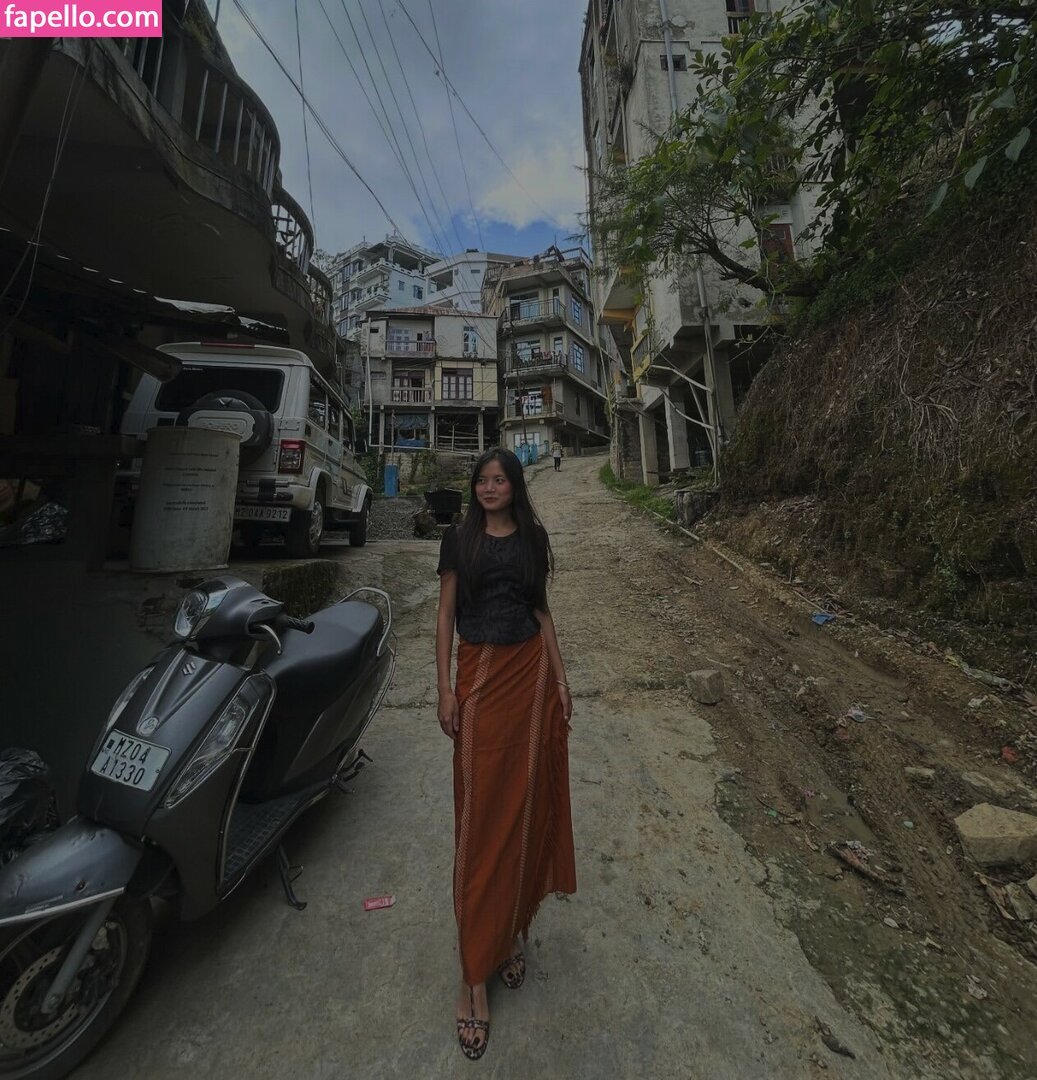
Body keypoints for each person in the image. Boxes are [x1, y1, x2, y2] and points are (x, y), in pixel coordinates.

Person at [435, 447, 577, 1061]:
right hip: (480, 677)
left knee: (522, 809)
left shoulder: (533, 540)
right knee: (478, 818)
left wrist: (562, 679)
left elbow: (541, 612)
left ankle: (512, 930)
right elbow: (445, 615)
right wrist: (445, 688)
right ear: (474, 488)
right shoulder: (457, 540)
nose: (490, 488)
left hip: (530, 680)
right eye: (482, 480)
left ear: (515, 487)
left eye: (500, 480)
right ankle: (473, 974)